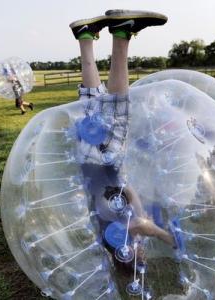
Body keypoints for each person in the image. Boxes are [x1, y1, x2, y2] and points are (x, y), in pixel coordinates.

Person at [70, 9, 176, 258]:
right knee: (93, 102)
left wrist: (157, 231)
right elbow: (127, 189)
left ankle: (122, 31)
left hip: (105, 160)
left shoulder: (118, 230)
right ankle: (85, 37)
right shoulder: (110, 225)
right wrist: (140, 212)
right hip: (89, 160)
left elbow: (152, 232)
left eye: (139, 254)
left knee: (117, 109)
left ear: (123, 252)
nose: (142, 251)